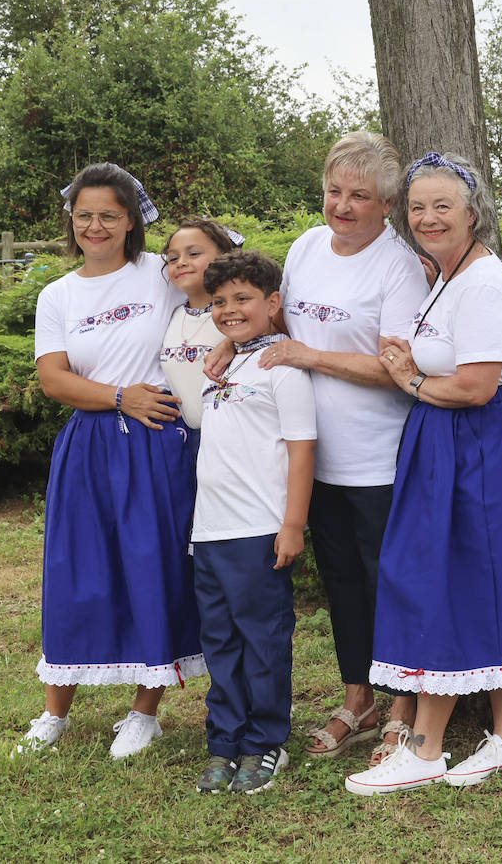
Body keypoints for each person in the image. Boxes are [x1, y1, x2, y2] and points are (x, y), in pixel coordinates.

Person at [344, 153, 502, 796]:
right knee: (492, 583)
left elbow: (478, 387)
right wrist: (413, 363)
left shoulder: (480, 282)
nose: (427, 218)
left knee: (445, 583)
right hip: (464, 442)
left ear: (473, 214)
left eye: (442, 207)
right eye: (417, 207)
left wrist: (409, 377)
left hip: (486, 445)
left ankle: (425, 750)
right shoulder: (449, 278)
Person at [209, 131, 430, 764]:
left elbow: (396, 367)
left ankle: (403, 707)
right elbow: (277, 320)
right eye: (334, 191)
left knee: (387, 582)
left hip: (376, 456)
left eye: (359, 195)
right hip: (307, 457)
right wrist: (236, 340)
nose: (342, 205)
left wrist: (309, 355)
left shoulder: (398, 265)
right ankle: (357, 696)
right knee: (341, 583)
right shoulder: (306, 246)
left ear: (386, 203)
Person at [16, 162, 204, 759]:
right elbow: (53, 379)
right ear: (71, 222)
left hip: (158, 442)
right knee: (77, 571)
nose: (94, 226)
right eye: (84, 215)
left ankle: (146, 708)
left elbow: (222, 297)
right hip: (91, 445)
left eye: (109, 216)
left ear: (132, 222)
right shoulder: (59, 294)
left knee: (154, 568)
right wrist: (121, 395)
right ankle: (54, 713)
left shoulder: (160, 274)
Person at [191, 250, 317, 795]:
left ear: (272, 304)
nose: (229, 310)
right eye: (219, 302)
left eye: (242, 299)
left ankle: (266, 742)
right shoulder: (223, 364)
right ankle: (225, 740)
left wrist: (293, 524)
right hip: (209, 532)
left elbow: (302, 451)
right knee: (220, 641)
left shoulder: (281, 371)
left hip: (257, 530)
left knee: (262, 640)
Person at [159, 218, 238, 430]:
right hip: (188, 440)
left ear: (224, 257)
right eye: (173, 258)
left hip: (237, 436)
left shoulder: (239, 316)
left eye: (194, 254)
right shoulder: (172, 316)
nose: (181, 262)